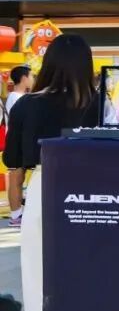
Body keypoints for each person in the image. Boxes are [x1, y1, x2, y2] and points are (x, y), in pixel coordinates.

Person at [2, 35, 97, 228]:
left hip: (42, 185)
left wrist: (16, 212)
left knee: (39, 244)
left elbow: (13, 160)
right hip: (91, 188)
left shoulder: (25, 104)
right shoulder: (99, 103)